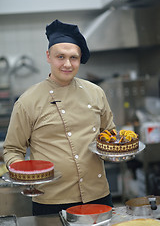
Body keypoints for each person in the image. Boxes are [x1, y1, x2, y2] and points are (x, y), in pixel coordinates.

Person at [3, 19, 116, 216]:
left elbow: (110, 135)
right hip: (52, 200)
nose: (67, 64)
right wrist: (24, 176)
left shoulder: (96, 92)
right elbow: (13, 149)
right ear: (48, 56)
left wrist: (115, 151)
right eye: (60, 57)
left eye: (74, 58)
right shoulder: (28, 101)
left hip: (98, 194)